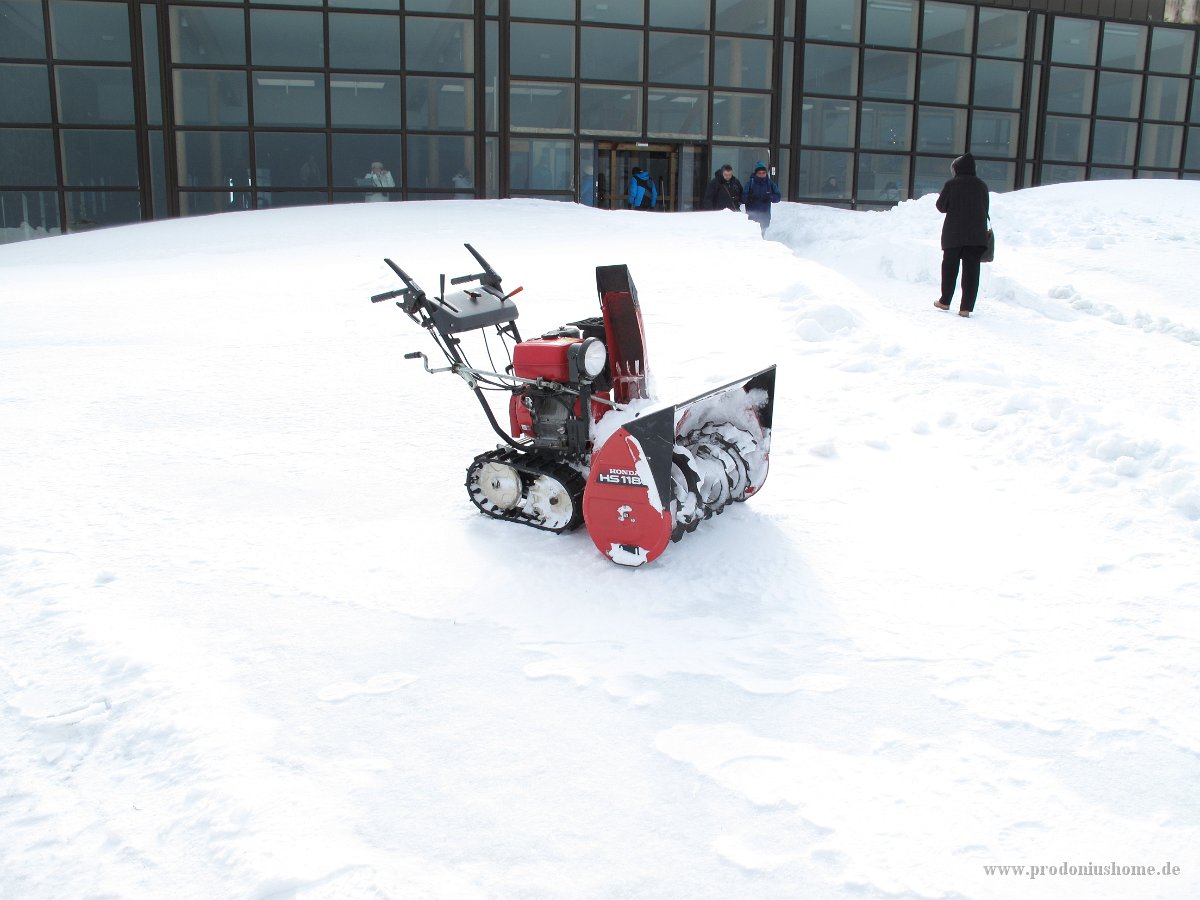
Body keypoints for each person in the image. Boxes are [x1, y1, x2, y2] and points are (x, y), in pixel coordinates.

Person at [934, 152, 990, 318]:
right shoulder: (982, 185)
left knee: (950, 268)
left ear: (957, 168)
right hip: (976, 235)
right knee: (972, 271)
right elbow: (985, 208)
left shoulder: (952, 184)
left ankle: (945, 301)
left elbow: (941, 206)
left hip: (954, 234)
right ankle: (965, 308)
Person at [743, 161, 780, 233]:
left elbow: (778, 196)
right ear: (756, 173)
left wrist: (770, 197)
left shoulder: (770, 183)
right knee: (752, 236)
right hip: (752, 217)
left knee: (761, 237)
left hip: (765, 216)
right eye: (759, 173)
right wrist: (750, 198)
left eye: (763, 173)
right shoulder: (750, 183)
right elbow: (743, 198)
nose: (762, 175)